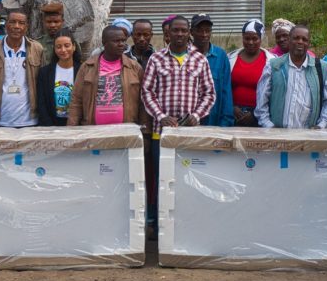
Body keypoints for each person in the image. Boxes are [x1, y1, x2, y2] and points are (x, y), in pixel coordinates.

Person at [142, 15, 214, 236]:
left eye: (184, 30)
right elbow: (147, 91)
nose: (180, 34)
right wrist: (161, 116)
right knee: (160, 179)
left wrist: (197, 115)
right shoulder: (156, 59)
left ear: (189, 32)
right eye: (176, 30)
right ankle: (157, 225)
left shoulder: (199, 60)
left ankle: (185, 225)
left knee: (186, 179)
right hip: (160, 132)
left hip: (188, 133)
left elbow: (209, 93)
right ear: (168, 33)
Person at [255, 24, 327, 129]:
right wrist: (269, 126)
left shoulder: (322, 68)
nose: (300, 41)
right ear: (289, 40)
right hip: (278, 135)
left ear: (308, 43)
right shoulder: (274, 66)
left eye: (304, 39)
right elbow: (261, 101)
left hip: (309, 136)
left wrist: (321, 126)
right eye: (296, 38)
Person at [0, 9, 45, 127]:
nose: (16, 26)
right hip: (0, 121)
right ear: (6, 25)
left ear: (27, 26)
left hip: (30, 121)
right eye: (12, 22)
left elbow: (43, 86)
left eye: (21, 23)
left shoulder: (37, 49)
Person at [69, 25, 145, 126]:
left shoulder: (135, 68)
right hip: (93, 131)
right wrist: (71, 128)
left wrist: (145, 132)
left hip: (126, 132)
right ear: (104, 43)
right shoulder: (87, 67)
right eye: (116, 41)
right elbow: (76, 101)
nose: (121, 44)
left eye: (123, 41)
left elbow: (143, 102)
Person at [227, 19, 274, 127]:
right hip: (233, 113)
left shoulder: (271, 61)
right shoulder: (230, 58)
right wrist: (232, 107)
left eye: (255, 38)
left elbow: (273, 91)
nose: (250, 42)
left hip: (260, 116)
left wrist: (254, 114)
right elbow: (225, 87)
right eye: (247, 38)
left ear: (261, 38)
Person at [191, 13, 234, 127]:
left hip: (214, 119)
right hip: (189, 120)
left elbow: (226, 90)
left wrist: (226, 122)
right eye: (199, 30)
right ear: (191, 32)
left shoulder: (221, 56)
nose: (204, 34)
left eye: (207, 30)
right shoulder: (185, 55)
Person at [37, 28, 82, 126]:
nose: (63, 50)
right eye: (58, 46)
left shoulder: (82, 71)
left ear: (74, 47)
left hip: (77, 126)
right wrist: (50, 127)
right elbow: (41, 103)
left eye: (67, 46)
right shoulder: (44, 73)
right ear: (54, 49)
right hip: (51, 126)